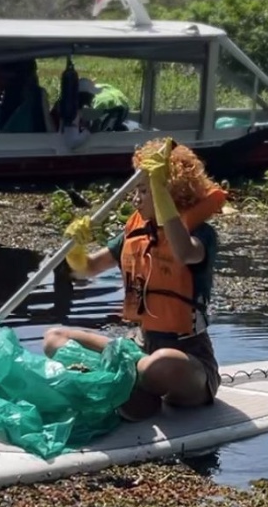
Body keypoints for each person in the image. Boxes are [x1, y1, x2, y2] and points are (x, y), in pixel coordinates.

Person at [42, 137, 228, 422]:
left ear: (169, 192)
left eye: (143, 190)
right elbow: (86, 270)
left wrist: (160, 190)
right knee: (55, 338)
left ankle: (126, 389)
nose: (134, 198)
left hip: (188, 358)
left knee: (161, 363)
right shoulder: (135, 233)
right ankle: (129, 390)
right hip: (137, 347)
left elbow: (183, 252)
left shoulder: (202, 234)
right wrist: (76, 250)